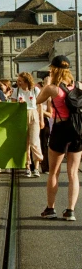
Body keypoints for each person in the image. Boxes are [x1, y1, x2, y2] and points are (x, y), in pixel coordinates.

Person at [37, 55, 81, 221]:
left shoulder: (53, 89)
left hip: (60, 129)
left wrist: (47, 84)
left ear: (53, 69)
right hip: (77, 131)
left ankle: (50, 209)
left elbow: (38, 100)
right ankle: (70, 211)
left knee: (54, 172)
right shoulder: (79, 86)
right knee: (73, 173)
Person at [11, 72, 43, 177]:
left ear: (26, 81)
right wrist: (17, 105)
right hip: (22, 115)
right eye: (18, 81)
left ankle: (37, 166)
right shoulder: (16, 91)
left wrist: (41, 119)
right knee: (25, 143)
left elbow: (40, 106)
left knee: (35, 141)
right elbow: (12, 106)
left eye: (20, 81)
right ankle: (28, 167)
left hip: (33, 114)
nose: (18, 82)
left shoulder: (35, 90)